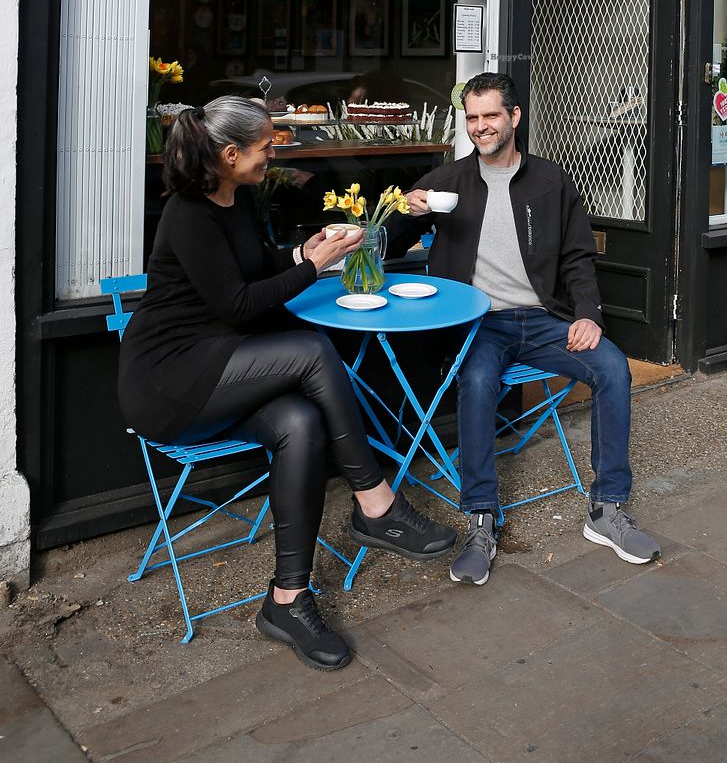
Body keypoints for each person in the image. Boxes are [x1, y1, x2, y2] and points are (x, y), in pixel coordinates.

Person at [118, 96, 457, 670]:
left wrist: (305, 250)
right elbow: (240, 304)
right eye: (266, 146)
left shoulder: (239, 199)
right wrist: (314, 269)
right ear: (229, 154)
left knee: (300, 422)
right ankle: (376, 505)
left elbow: (257, 265)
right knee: (309, 350)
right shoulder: (190, 213)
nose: (274, 153)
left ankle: (287, 600)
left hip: (222, 367)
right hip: (170, 380)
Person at [390, 72, 660, 586]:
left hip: (543, 319)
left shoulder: (551, 181)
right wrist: (404, 210)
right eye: (471, 118)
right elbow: (393, 244)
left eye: (490, 116)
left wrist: (588, 315)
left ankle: (607, 510)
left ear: (515, 117)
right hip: (478, 323)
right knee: (475, 382)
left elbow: (579, 257)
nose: (480, 127)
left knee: (612, 368)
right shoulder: (446, 182)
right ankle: (482, 519)